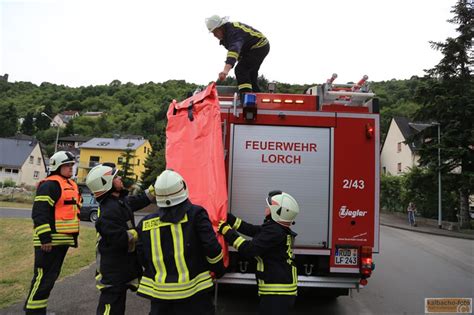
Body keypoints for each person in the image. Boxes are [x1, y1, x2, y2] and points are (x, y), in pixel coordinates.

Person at [136, 169, 225, 315]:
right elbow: (211, 247)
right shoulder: (196, 214)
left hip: (160, 298)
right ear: (182, 188)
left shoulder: (145, 223)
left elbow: (141, 255)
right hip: (194, 297)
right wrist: (218, 269)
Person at [85, 163, 155, 315]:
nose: (120, 178)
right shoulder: (109, 210)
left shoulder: (118, 202)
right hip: (113, 271)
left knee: (118, 306)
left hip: (120, 267)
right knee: (110, 307)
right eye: (115, 176)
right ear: (106, 182)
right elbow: (121, 239)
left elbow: (136, 201)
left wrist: (153, 190)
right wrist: (142, 231)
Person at [218, 190, 300, 315]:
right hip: (280, 290)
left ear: (277, 211)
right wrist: (229, 218)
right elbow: (252, 229)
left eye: (269, 206)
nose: (266, 207)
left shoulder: (274, 231)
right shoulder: (277, 229)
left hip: (277, 292)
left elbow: (249, 250)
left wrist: (228, 232)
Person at [24, 151, 80, 315]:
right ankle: (33, 312)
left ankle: (38, 309)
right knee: (42, 278)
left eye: (71, 165)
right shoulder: (50, 185)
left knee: (49, 278)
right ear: (58, 166)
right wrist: (45, 239)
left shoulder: (68, 184)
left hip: (60, 242)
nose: (71, 168)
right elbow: (40, 213)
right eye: (67, 165)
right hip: (49, 243)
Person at [205, 15, 270, 101]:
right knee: (250, 75)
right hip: (254, 48)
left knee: (241, 70)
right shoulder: (226, 37)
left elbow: (233, 52)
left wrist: (225, 71)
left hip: (259, 46)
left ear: (221, 27)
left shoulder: (234, 32)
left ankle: (245, 98)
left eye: (215, 32)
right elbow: (238, 54)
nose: (214, 35)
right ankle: (257, 97)